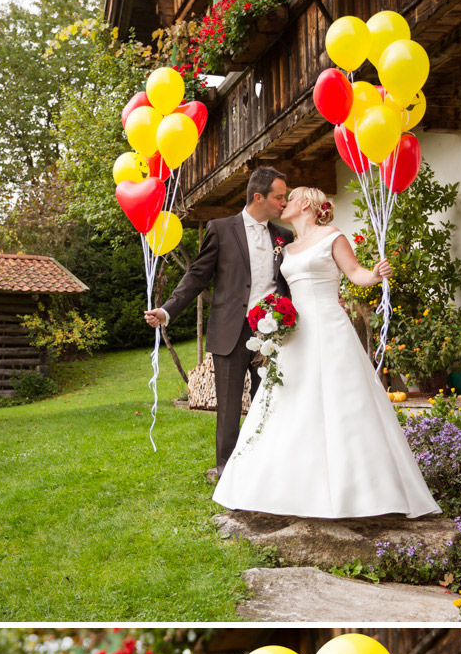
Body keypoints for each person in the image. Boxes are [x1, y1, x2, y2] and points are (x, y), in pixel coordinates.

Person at [212, 186, 441, 521]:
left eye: (290, 198)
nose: (284, 202)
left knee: (343, 403)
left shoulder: (332, 236)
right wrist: (271, 315)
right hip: (296, 334)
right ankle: (278, 487)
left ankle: (359, 493)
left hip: (330, 328)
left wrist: (375, 275)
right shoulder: (286, 248)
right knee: (286, 403)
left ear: (305, 203)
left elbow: (355, 273)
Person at [145, 166, 293, 480]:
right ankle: (227, 470)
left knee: (267, 398)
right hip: (231, 329)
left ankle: (264, 462)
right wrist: (167, 311)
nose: (284, 202)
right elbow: (197, 275)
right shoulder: (221, 228)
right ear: (258, 197)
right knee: (227, 405)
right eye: (279, 197)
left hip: (272, 330)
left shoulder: (284, 235)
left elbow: (288, 283)